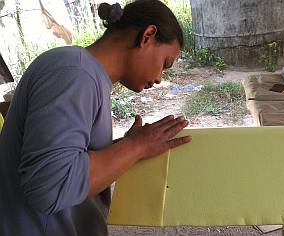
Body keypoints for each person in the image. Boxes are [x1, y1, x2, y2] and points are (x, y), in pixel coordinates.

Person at [0, 1, 191, 235]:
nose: (160, 78)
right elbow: (50, 186)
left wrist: (123, 148)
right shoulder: (73, 73)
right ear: (147, 36)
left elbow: (70, 156)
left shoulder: (85, 74)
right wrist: (135, 147)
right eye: (164, 64)